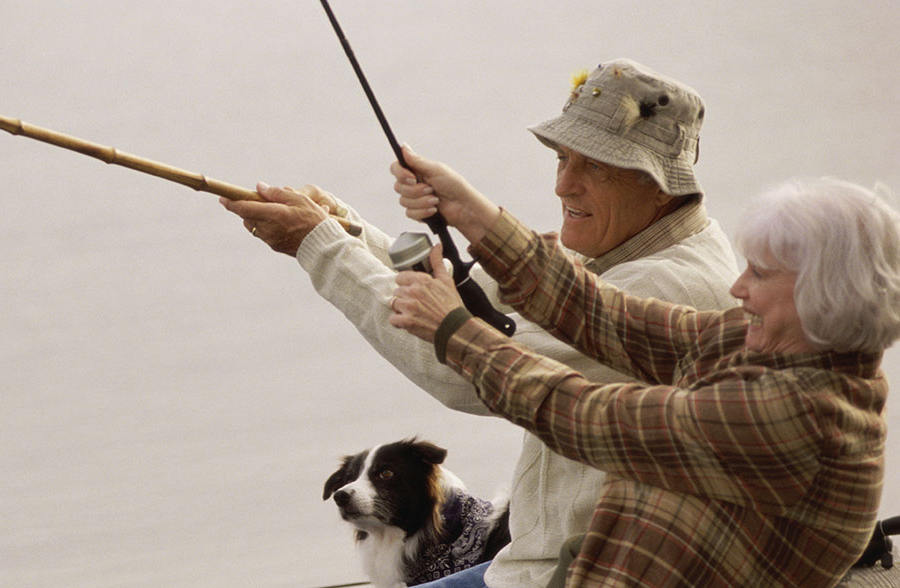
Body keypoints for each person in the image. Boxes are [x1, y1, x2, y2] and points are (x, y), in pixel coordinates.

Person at [222, 59, 739, 586]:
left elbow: (466, 368)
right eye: (562, 159)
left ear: (662, 184)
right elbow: (492, 304)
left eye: (596, 168)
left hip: (585, 570)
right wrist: (348, 232)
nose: (564, 186)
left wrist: (320, 247)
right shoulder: (630, 246)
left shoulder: (667, 286)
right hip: (541, 555)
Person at [389, 169, 900, 586]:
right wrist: (473, 214)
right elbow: (610, 317)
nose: (738, 286)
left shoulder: (798, 416)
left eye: (760, 274)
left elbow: (589, 417)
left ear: (822, 293)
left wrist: (456, 330)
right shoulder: (782, 351)